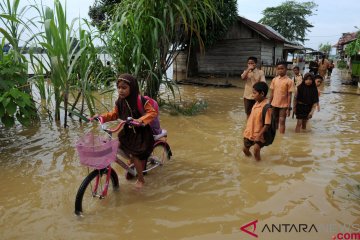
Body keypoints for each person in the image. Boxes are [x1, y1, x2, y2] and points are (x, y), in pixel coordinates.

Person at [94, 73, 158, 188]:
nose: (120, 90)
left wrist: (140, 120)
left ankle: (141, 180)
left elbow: (152, 112)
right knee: (116, 145)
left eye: (124, 88)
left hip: (141, 134)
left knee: (135, 155)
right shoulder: (119, 102)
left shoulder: (140, 100)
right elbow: (114, 114)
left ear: (132, 88)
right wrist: (101, 117)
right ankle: (131, 162)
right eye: (118, 87)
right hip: (128, 132)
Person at [243, 82, 272, 161]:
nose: (252, 95)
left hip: (259, 134)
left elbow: (267, 124)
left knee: (256, 150)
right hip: (249, 132)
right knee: (245, 150)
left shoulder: (267, 107)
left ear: (262, 93)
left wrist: (259, 135)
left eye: (254, 93)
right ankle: (250, 162)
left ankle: (258, 165)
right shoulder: (256, 103)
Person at [268, 61, 294, 134]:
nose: (280, 70)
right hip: (274, 104)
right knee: (274, 120)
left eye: (282, 68)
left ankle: (281, 136)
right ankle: (275, 136)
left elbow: (289, 95)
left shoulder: (289, 81)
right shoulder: (274, 79)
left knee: (282, 120)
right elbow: (272, 93)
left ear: (286, 69)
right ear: (277, 69)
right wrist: (269, 104)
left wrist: (288, 108)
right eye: (278, 68)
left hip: (284, 105)